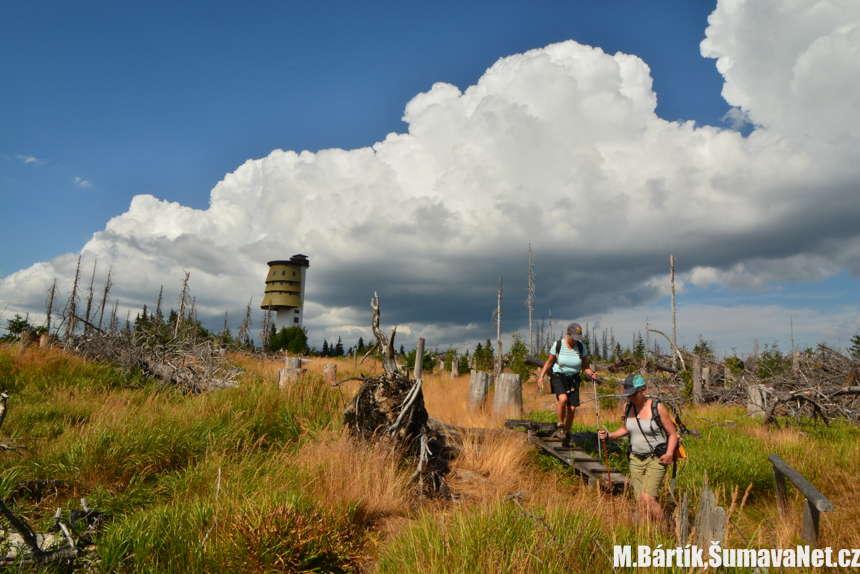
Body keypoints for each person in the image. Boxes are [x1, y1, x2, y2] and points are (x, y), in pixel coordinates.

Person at [598, 374, 678, 526]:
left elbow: (672, 434)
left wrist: (669, 454)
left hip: (656, 458)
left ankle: (666, 531)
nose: (631, 397)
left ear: (643, 390)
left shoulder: (657, 408)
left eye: (634, 393)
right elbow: (625, 429)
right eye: (629, 394)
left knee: (647, 498)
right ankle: (648, 534)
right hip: (635, 459)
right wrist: (608, 436)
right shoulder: (627, 407)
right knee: (641, 500)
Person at [537, 323, 597, 448]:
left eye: (577, 338)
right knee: (563, 399)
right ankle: (560, 426)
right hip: (558, 376)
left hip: (574, 379)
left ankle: (567, 435)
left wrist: (591, 373)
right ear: (567, 334)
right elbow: (549, 362)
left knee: (572, 408)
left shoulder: (581, 347)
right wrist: (541, 376)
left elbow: (585, 366)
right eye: (573, 337)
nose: (575, 340)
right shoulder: (558, 345)